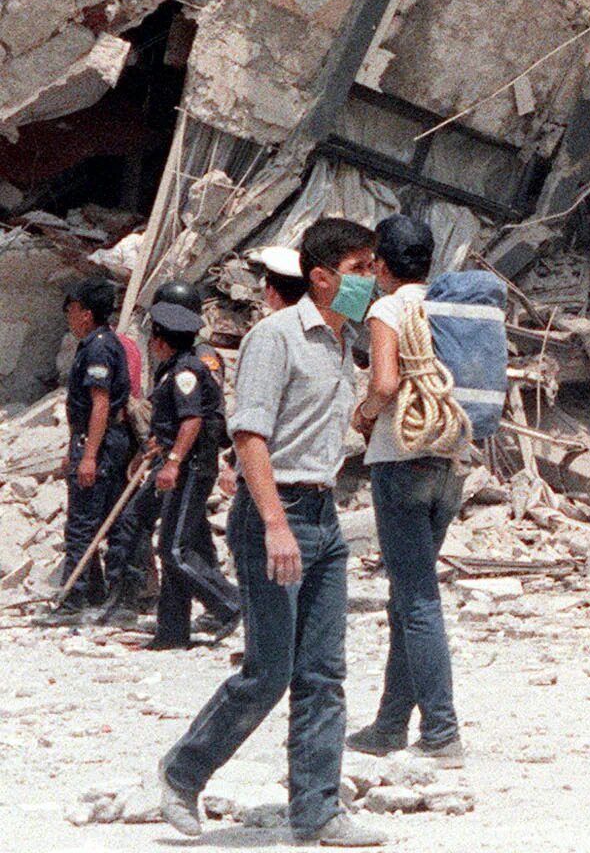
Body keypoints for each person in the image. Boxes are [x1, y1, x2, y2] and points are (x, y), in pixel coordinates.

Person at [158, 217, 382, 847]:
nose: (371, 278)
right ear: (322, 276)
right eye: (361, 268)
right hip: (273, 516)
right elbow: (249, 434)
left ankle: (317, 809)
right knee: (269, 671)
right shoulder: (275, 337)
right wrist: (276, 524)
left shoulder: (342, 343)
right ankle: (182, 770)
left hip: (324, 515)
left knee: (324, 671)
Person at [346, 214, 466, 762]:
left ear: (384, 266)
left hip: (402, 460)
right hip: (449, 462)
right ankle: (392, 724)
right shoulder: (446, 303)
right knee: (406, 599)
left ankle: (441, 731)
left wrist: (364, 415)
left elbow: (387, 381)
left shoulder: (388, 307)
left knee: (417, 601)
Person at [140, 284, 239, 652]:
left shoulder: (187, 370)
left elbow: (192, 421)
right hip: (183, 463)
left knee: (176, 550)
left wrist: (174, 462)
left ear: (162, 338)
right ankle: (172, 631)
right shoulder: (175, 367)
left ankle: (230, 604)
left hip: (192, 466)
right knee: (177, 545)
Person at [56, 277, 135, 616]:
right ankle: (102, 592)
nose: (69, 318)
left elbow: (99, 404)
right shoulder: (100, 343)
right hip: (101, 441)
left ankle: (74, 598)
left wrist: (88, 455)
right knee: (104, 518)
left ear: (86, 315)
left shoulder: (98, 348)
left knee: (83, 523)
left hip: (100, 445)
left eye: (72, 311)